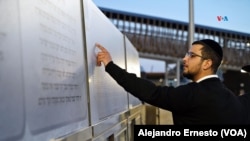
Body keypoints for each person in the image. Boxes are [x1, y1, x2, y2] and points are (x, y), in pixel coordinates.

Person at [95, 39, 246, 125]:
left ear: (207, 63)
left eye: (191, 56)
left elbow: (151, 92)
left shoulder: (193, 94)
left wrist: (110, 65)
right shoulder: (231, 98)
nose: (184, 59)